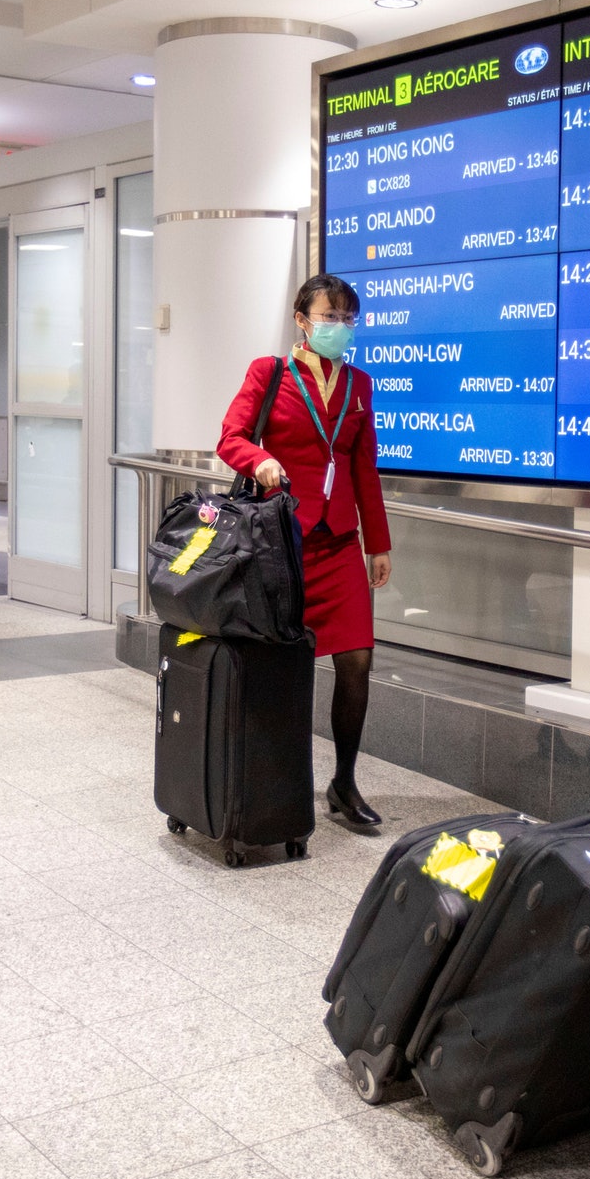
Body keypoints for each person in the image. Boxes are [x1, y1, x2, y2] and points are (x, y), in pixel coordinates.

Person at [218, 274, 392, 827]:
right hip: (283, 540)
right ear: (302, 319)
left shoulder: (359, 385)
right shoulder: (269, 374)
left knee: (358, 658)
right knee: (279, 662)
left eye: (347, 320)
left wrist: (378, 544)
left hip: (340, 540)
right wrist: (257, 459)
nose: (337, 328)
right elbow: (230, 437)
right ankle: (269, 779)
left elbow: (364, 468)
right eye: (328, 317)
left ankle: (343, 782)